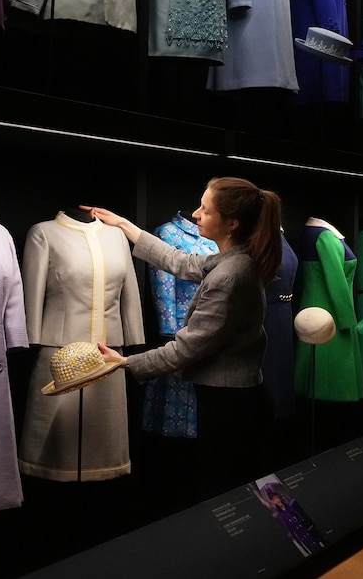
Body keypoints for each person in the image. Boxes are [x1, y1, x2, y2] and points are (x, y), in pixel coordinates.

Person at [83, 176, 283, 503]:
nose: (195, 214)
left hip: (230, 409)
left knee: (229, 499)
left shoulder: (230, 277)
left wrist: (125, 362)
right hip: (237, 401)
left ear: (231, 223)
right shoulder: (236, 260)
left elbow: (186, 349)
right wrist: (125, 226)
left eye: (206, 209)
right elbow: (181, 262)